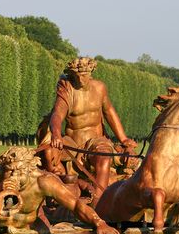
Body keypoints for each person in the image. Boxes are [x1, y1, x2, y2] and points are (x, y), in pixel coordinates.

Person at [0, 147, 120, 234]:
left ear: (30, 169)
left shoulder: (43, 180)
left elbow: (75, 204)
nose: (13, 175)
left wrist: (99, 223)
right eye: (9, 170)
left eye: (19, 172)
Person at [40, 57, 137, 203]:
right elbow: (57, 114)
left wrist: (123, 138)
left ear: (91, 72)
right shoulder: (67, 88)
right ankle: (60, 191)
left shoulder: (99, 88)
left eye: (84, 75)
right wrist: (56, 134)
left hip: (97, 141)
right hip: (73, 143)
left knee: (104, 155)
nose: (80, 79)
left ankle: (99, 199)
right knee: (49, 152)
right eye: (77, 76)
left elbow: (109, 112)